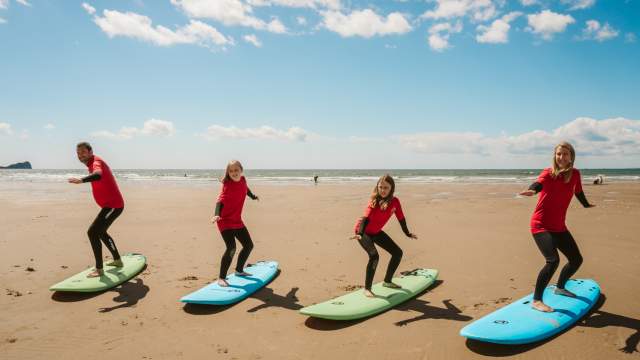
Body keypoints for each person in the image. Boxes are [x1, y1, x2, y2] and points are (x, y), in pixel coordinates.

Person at [519, 142, 595, 312]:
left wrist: (586, 204)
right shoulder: (549, 173)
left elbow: (578, 191)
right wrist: (532, 191)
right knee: (553, 261)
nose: (561, 157)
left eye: (565, 154)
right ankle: (537, 300)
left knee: (576, 259)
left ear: (571, 157)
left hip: (559, 226)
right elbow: (538, 183)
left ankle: (560, 287)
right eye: (558, 154)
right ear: (555, 156)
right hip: (541, 225)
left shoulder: (574, 174)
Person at [351, 174, 417, 297]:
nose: (382, 190)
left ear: (391, 188)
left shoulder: (395, 202)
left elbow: (401, 218)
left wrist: (407, 233)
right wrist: (360, 233)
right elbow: (365, 219)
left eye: (386, 187)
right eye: (380, 187)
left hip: (375, 232)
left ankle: (387, 281)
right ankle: (367, 289)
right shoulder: (374, 201)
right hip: (363, 231)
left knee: (397, 253)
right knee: (374, 255)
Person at [68, 142, 125, 278]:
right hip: (110, 205)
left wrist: (81, 180)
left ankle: (99, 269)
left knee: (92, 232)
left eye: (83, 152)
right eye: (78, 153)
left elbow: (98, 174)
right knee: (100, 232)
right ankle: (117, 261)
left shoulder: (95, 162)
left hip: (113, 205)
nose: (80, 155)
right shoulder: (91, 163)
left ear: (90, 151)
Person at [211, 160, 260, 287]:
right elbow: (220, 200)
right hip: (224, 220)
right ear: (228, 172)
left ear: (241, 170)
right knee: (231, 247)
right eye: (231, 171)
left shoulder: (243, 180)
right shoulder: (227, 184)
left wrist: (252, 196)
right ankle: (221, 277)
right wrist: (217, 214)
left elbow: (245, 189)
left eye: (236, 170)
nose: (234, 173)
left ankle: (239, 270)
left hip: (237, 220)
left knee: (248, 245)